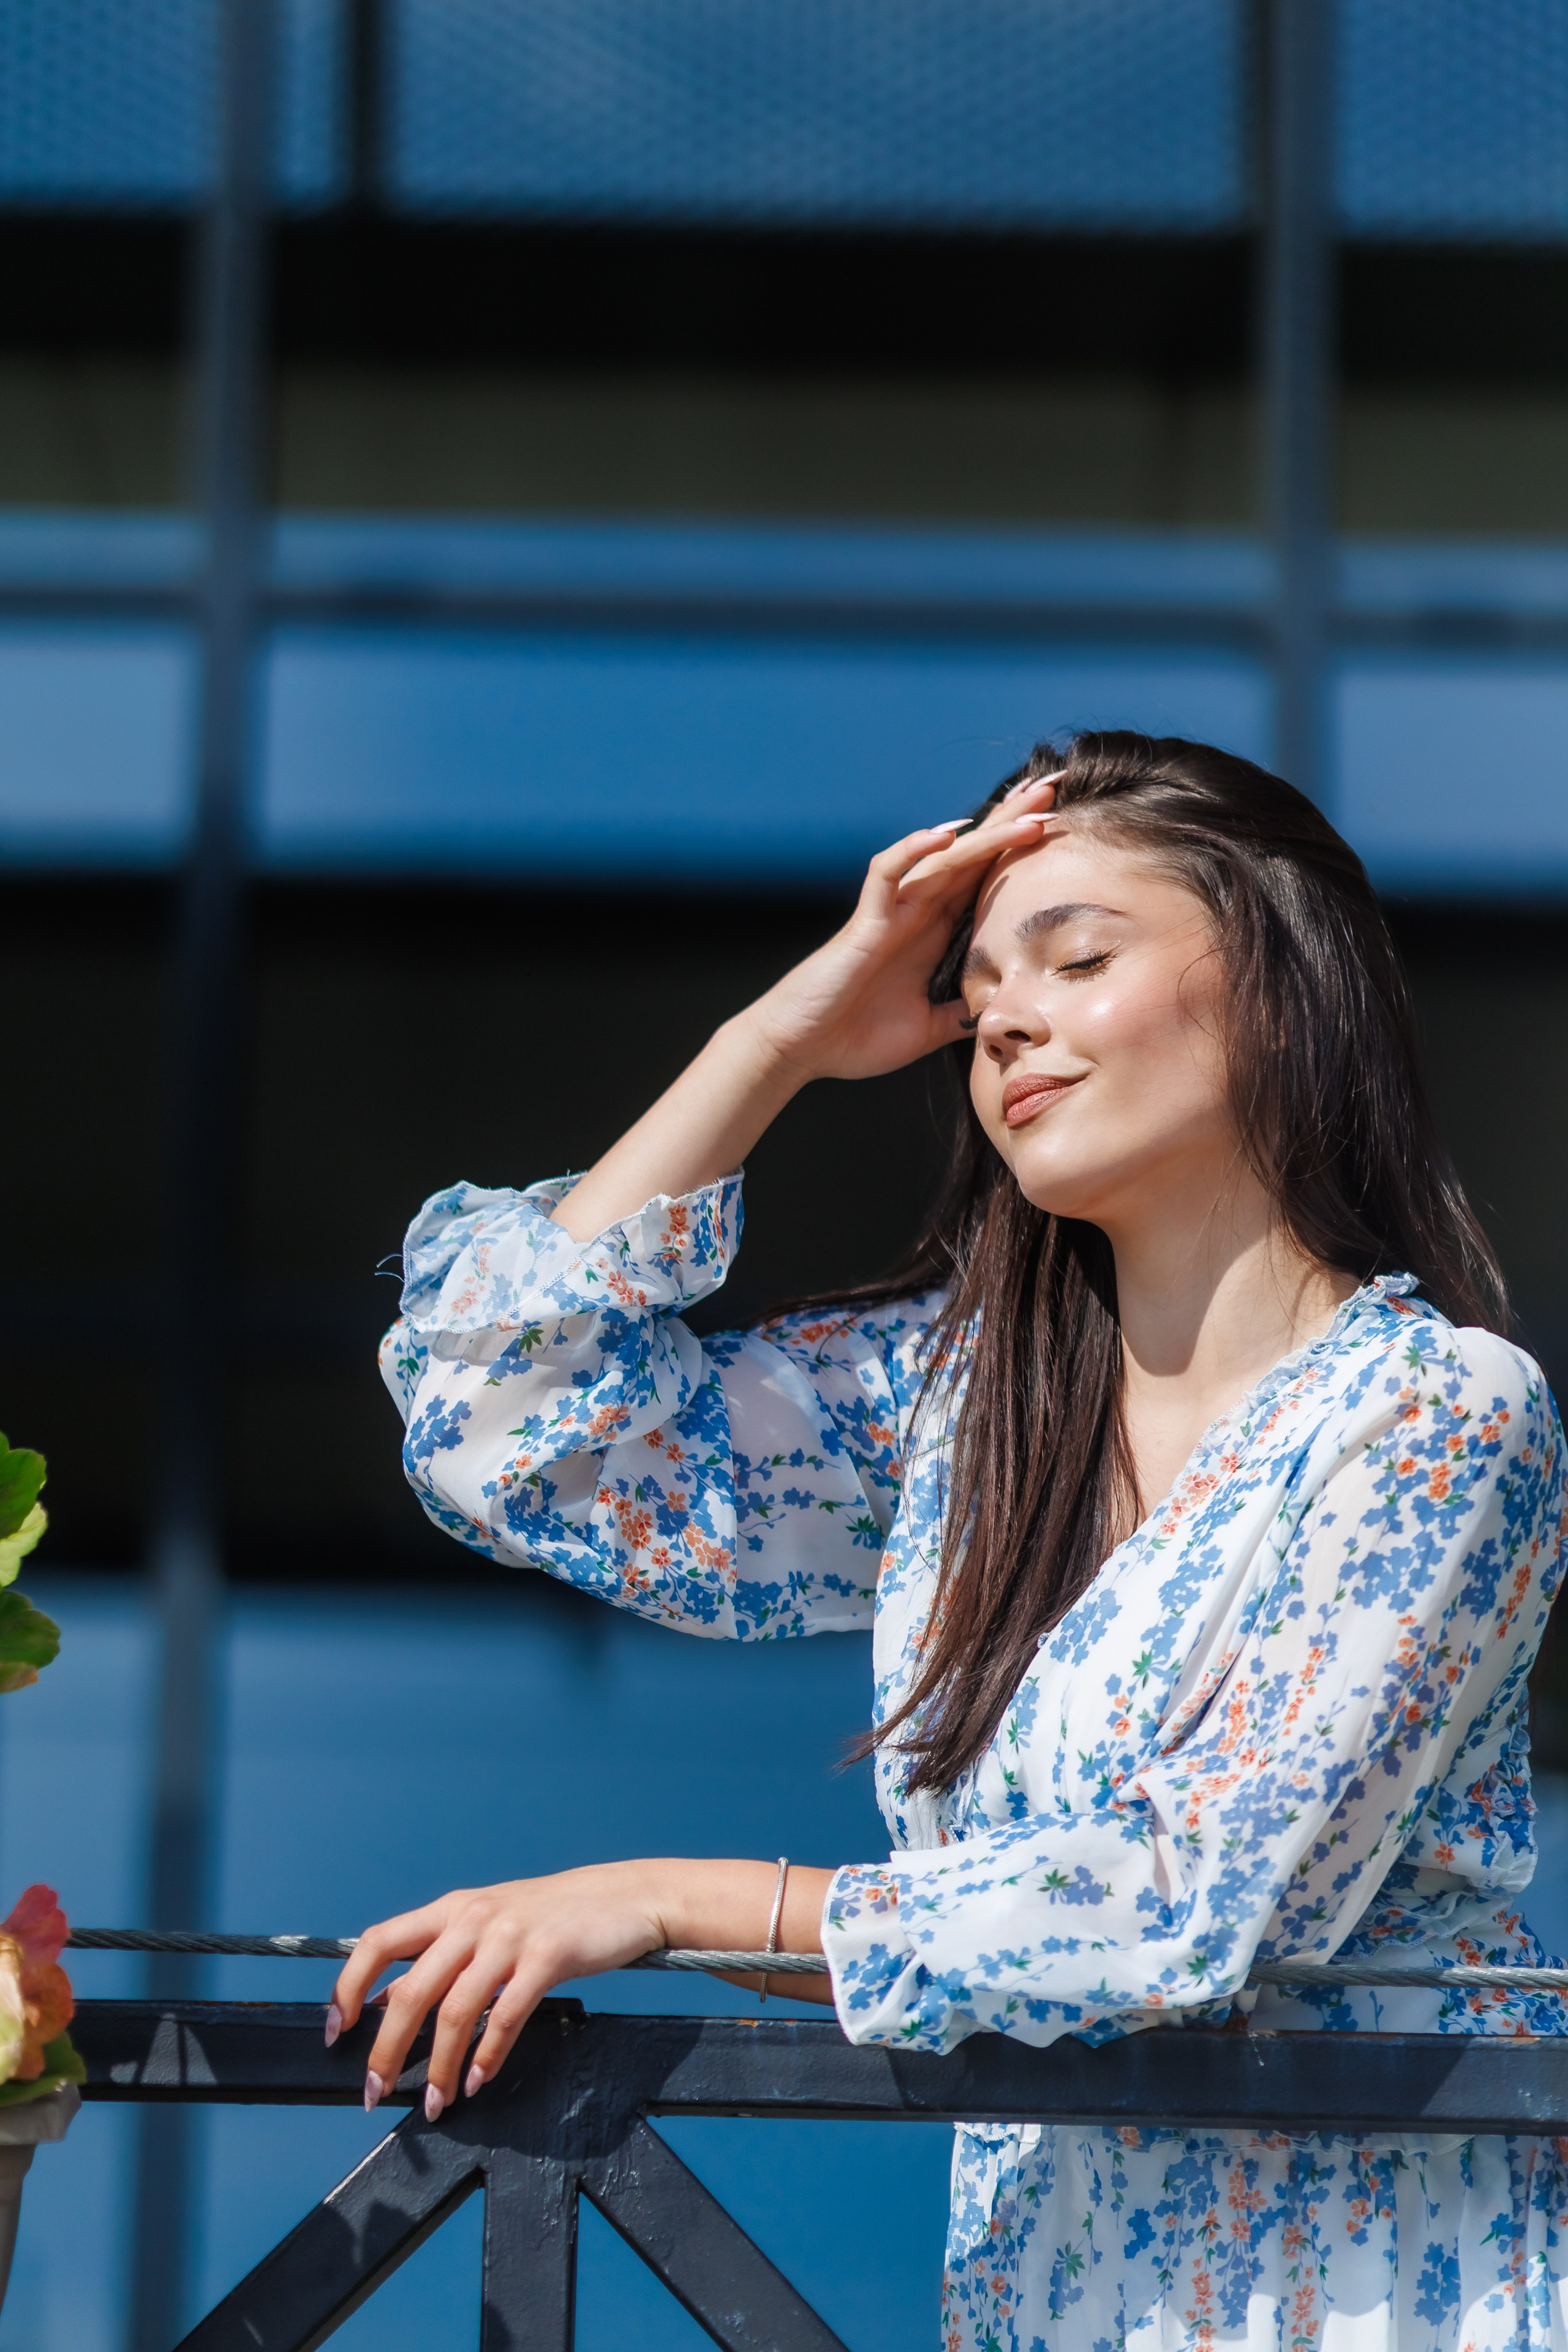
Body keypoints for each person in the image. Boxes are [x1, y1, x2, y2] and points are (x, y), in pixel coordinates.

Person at [333, 731, 1567, 2350]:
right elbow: (512, 1431)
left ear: (1283, 981)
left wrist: (662, 1897)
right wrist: (774, 1041)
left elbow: (1187, 1907)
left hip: (1375, 2301)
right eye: (978, 993)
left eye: (1078, 959)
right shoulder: (966, 1416)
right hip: (1051, 2301)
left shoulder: (1434, 1414)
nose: (1005, 1022)